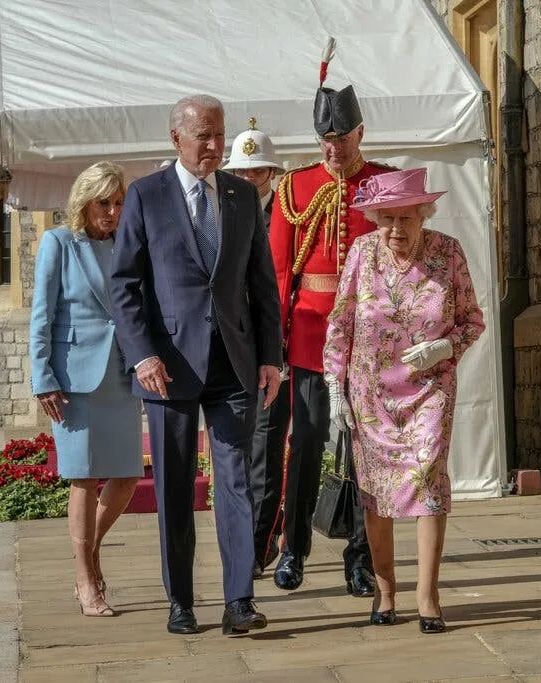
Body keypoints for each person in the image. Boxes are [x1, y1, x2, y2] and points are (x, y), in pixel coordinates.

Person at [109, 95, 283, 636]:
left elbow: (262, 283)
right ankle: (180, 601)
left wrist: (272, 356)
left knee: (234, 481)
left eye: (219, 135)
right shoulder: (145, 196)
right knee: (177, 485)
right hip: (169, 368)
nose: (214, 146)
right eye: (204, 136)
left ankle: (238, 602)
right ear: (176, 139)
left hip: (234, 364)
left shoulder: (241, 196)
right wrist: (141, 354)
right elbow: (125, 286)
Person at [323, 167, 484, 634]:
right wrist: (335, 387)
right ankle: (385, 590)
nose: (397, 228)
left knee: (429, 479)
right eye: (387, 218)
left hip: (430, 390)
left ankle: (428, 595)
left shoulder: (447, 251)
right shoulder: (361, 253)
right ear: (375, 218)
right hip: (370, 392)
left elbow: (473, 320)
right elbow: (341, 324)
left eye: (406, 218)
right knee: (376, 495)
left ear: (423, 214)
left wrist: (444, 347)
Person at [267, 68, 392, 597]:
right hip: (312, 336)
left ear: (360, 132)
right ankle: (293, 549)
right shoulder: (295, 187)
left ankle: (360, 560)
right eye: (326, 139)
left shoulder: (384, 183)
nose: (334, 148)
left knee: (367, 450)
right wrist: (275, 340)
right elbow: (277, 269)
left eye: (342, 137)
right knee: (309, 441)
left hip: (370, 335)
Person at [29, 161, 143, 617]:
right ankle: (84, 579)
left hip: (121, 373)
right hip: (73, 379)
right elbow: (42, 314)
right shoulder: (58, 242)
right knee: (83, 475)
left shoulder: (126, 246)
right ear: (84, 202)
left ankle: (89, 551)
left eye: (119, 203)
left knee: (129, 474)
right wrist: (43, 378)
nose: (113, 212)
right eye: (105, 203)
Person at [223, 118, 287, 578]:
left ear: (271, 173)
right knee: (233, 452)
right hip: (227, 346)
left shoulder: (288, 213)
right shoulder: (218, 209)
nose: (249, 179)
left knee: (265, 446)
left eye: (258, 171)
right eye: (243, 172)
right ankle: (243, 537)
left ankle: (259, 544)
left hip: (271, 345)